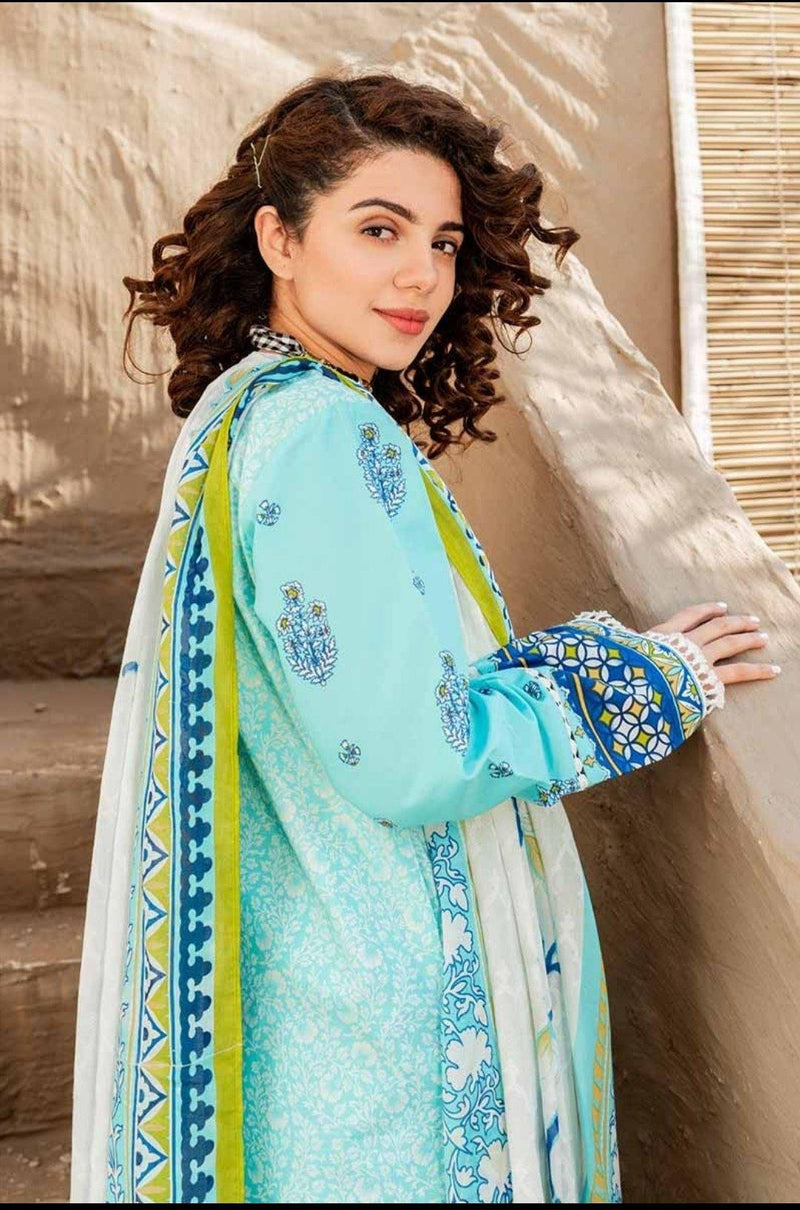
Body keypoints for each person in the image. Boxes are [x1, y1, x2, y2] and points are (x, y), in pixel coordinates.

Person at [70, 71, 778, 1205]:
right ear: (280, 239)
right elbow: (416, 756)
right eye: (378, 229)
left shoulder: (252, 411)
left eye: (443, 244)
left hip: (325, 990)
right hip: (392, 1036)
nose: (421, 276)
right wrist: (636, 679)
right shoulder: (321, 436)